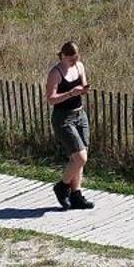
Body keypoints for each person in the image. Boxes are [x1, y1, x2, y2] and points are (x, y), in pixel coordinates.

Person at [44, 39, 93, 209]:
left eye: (76, 58)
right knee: (80, 158)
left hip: (80, 114)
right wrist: (71, 93)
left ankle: (76, 195)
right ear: (63, 56)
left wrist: (83, 90)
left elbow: (83, 85)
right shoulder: (55, 73)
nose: (73, 61)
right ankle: (62, 186)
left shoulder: (79, 67)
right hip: (63, 118)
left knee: (79, 158)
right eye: (70, 58)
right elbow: (51, 99)